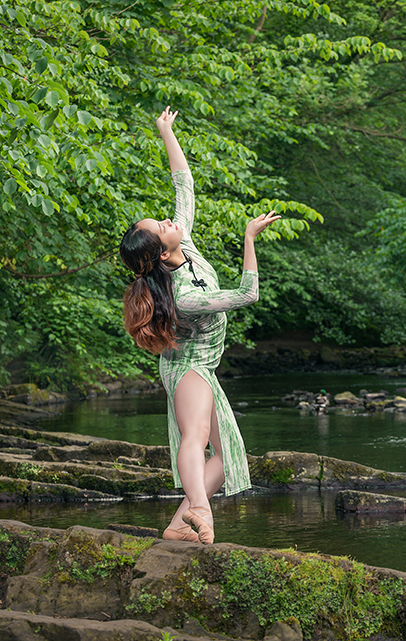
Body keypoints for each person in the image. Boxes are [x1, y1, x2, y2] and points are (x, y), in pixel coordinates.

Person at [120, 107, 280, 544]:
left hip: (204, 368)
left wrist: (165, 132)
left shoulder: (182, 241)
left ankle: (177, 528)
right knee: (198, 437)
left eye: (162, 219)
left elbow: (184, 185)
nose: (168, 220)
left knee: (230, 460)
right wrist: (248, 239)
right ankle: (200, 511)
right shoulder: (181, 296)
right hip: (187, 367)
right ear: (157, 252)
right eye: (161, 226)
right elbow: (247, 295)